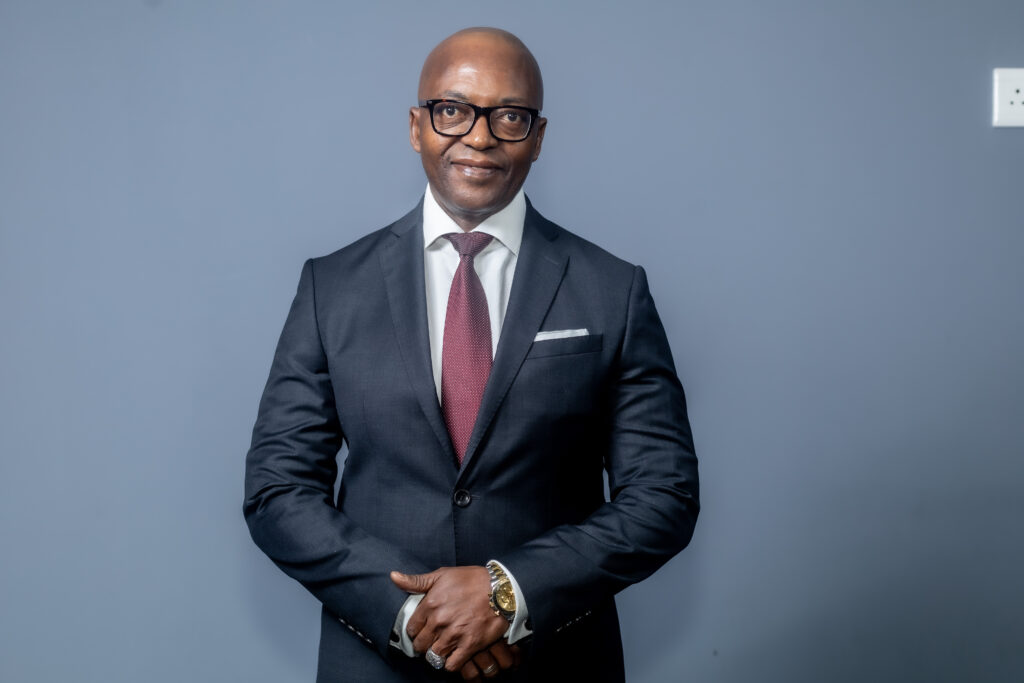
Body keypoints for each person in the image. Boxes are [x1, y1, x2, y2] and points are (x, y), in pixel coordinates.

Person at [244, 27, 699, 683]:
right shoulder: (332, 287)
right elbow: (278, 490)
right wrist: (413, 612)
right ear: (416, 126)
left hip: (554, 662)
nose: (480, 138)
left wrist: (509, 593)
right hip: (377, 663)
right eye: (452, 110)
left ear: (538, 136)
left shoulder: (613, 290)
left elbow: (663, 494)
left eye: (509, 116)